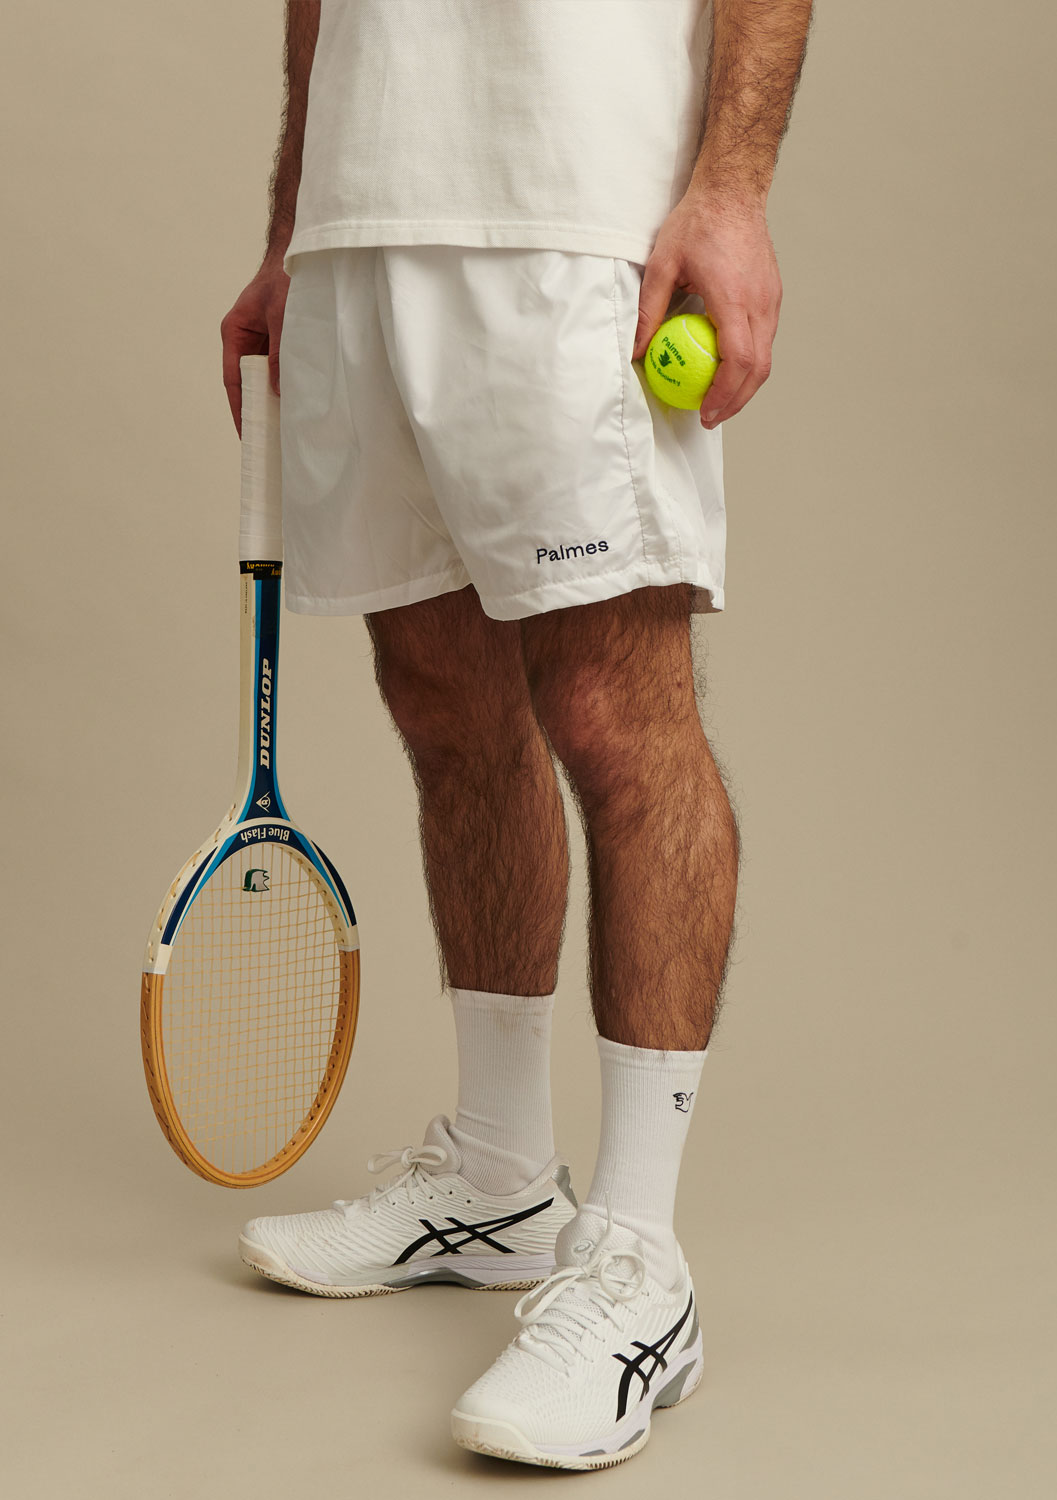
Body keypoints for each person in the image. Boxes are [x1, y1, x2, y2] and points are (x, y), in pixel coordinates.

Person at [222, 0, 811, 1470]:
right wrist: (295, 222)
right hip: (366, 216)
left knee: (617, 718)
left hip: (578, 208)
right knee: (438, 699)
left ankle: (635, 1262)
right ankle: (495, 1180)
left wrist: (730, 193)